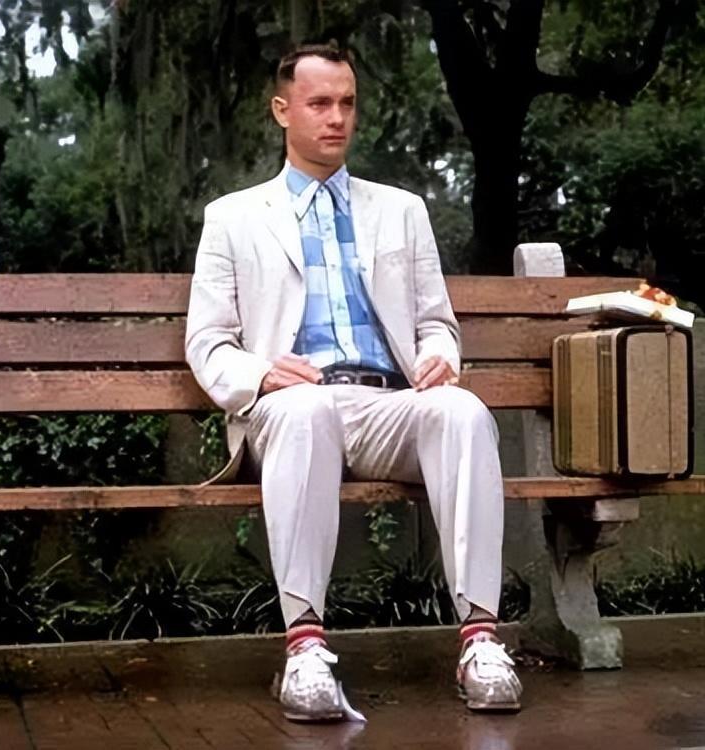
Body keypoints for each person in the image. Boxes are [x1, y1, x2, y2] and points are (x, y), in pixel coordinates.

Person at [185, 43, 522, 721]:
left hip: (387, 403)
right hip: (288, 408)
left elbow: (437, 324)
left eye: (346, 103)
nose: (336, 117)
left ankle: (481, 642)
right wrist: (262, 373)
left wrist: (441, 357)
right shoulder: (234, 217)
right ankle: (304, 650)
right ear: (282, 110)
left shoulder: (401, 210)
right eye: (319, 103)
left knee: (461, 411)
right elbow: (208, 342)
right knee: (306, 408)